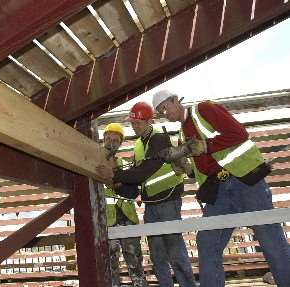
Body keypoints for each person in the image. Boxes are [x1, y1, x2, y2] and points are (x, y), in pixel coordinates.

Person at [152, 90, 290, 287]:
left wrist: (206, 146)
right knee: (207, 241)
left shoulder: (204, 110)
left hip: (245, 180)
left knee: (269, 238)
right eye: (160, 111)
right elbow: (202, 170)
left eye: (165, 106)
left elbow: (239, 133)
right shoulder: (183, 135)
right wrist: (184, 167)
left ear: (176, 100)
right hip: (220, 191)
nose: (165, 112)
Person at [97, 103, 197, 287]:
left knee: (175, 251)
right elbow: (134, 185)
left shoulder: (158, 138)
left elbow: (145, 171)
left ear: (150, 121)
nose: (135, 126)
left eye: (139, 123)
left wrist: (114, 175)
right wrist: (116, 183)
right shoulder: (138, 146)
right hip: (151, 203)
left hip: (168, 200)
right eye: (133, 123)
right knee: (157, 255)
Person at [102, 123, 149, 287]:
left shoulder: (125, 164)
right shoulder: (94, 164)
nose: (111, 143)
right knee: (110, 267)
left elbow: (132, 191)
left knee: (135, 264)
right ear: (103, 139)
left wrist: (119, 180)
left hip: (128, 219)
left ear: (120, 143)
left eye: (115, 140)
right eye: (108, 139)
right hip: (107, 222)